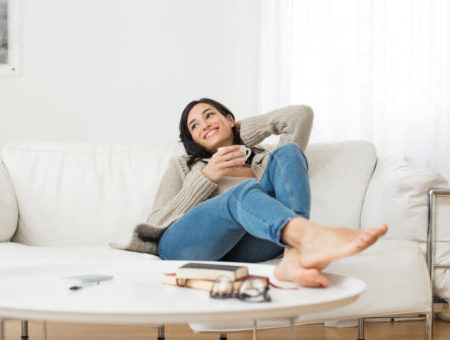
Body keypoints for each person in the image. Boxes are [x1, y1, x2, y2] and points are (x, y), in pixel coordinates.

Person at [119, 98, 388, 288]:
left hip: (247, 246)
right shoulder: (183, 166)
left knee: (290, 152)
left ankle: (295, 254)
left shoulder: (263, 160)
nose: (203, 125)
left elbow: (300, 115)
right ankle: (308, 240)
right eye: (194, 125)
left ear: (228, 119)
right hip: (184, 245)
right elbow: (157, 219)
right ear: (194, 139)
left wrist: (239, 132)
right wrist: (205, 177)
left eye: (209, 115)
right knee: (244, 192)